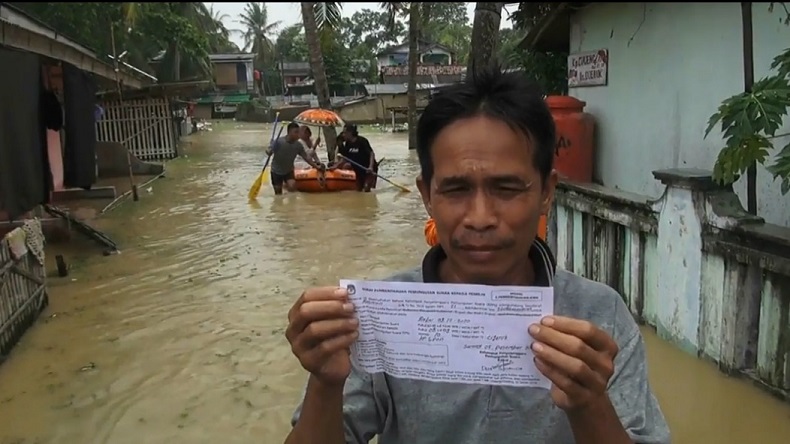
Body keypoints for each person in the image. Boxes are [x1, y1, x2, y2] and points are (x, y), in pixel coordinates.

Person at [283, 66, 671, 444]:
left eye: (507, 188)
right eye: (456, 190)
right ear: (427, 195)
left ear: (546, 193)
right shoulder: (381, 317)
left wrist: (589, 404)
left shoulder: (598, 317)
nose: (481, 218)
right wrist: (325, 383)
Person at [267, 122, 325, 195]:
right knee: (278, 194)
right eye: (296, 132)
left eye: (298, 132)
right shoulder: (278, 142)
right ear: (289, 132)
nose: (298, 135)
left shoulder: (298, 145)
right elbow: (268, 152)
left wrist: (316, 166)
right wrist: (270, 149)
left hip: (289, 171)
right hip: (276, 171)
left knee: (292, 187)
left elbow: (306, 157)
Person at [332, 123, 376, 192]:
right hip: (358, 170)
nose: (343, 135)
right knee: (358, 190)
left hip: (368, 169)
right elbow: (345, 158)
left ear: (350, 133)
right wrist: (335, 166)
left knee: (366, 189)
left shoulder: (362, 141)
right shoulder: (347, 144)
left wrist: (371, 167)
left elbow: (371, 153)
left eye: (345, 133)